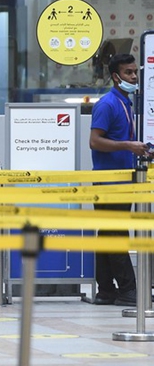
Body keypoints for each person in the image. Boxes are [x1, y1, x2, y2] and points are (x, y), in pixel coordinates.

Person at [89, 53, 147, 306]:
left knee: (107, 234)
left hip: (123, 180)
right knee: (115, 233)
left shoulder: (126, 103)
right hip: (109, 183)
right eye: (128, 73)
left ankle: (106, 289)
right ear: (115, 76)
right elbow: (95, 141)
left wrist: (140, 149)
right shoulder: (107, 104)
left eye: (135, 72)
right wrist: (127, 145)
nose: (133, 77)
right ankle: (128, 289)